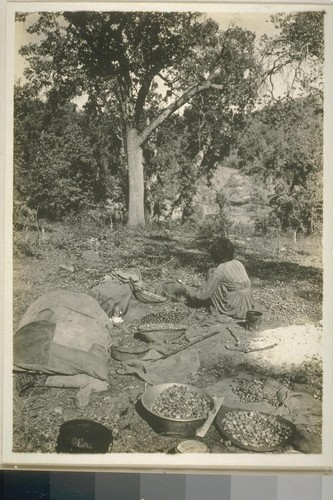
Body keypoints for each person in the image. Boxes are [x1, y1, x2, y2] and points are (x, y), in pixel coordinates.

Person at [181, 237, 253, 319]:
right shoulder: (238, 263)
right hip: (248, 304)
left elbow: (202, 295)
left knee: (213, 278)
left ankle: (218, 307)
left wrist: (187, 291)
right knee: (212, 272)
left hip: (235, 307)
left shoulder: (220, 269)